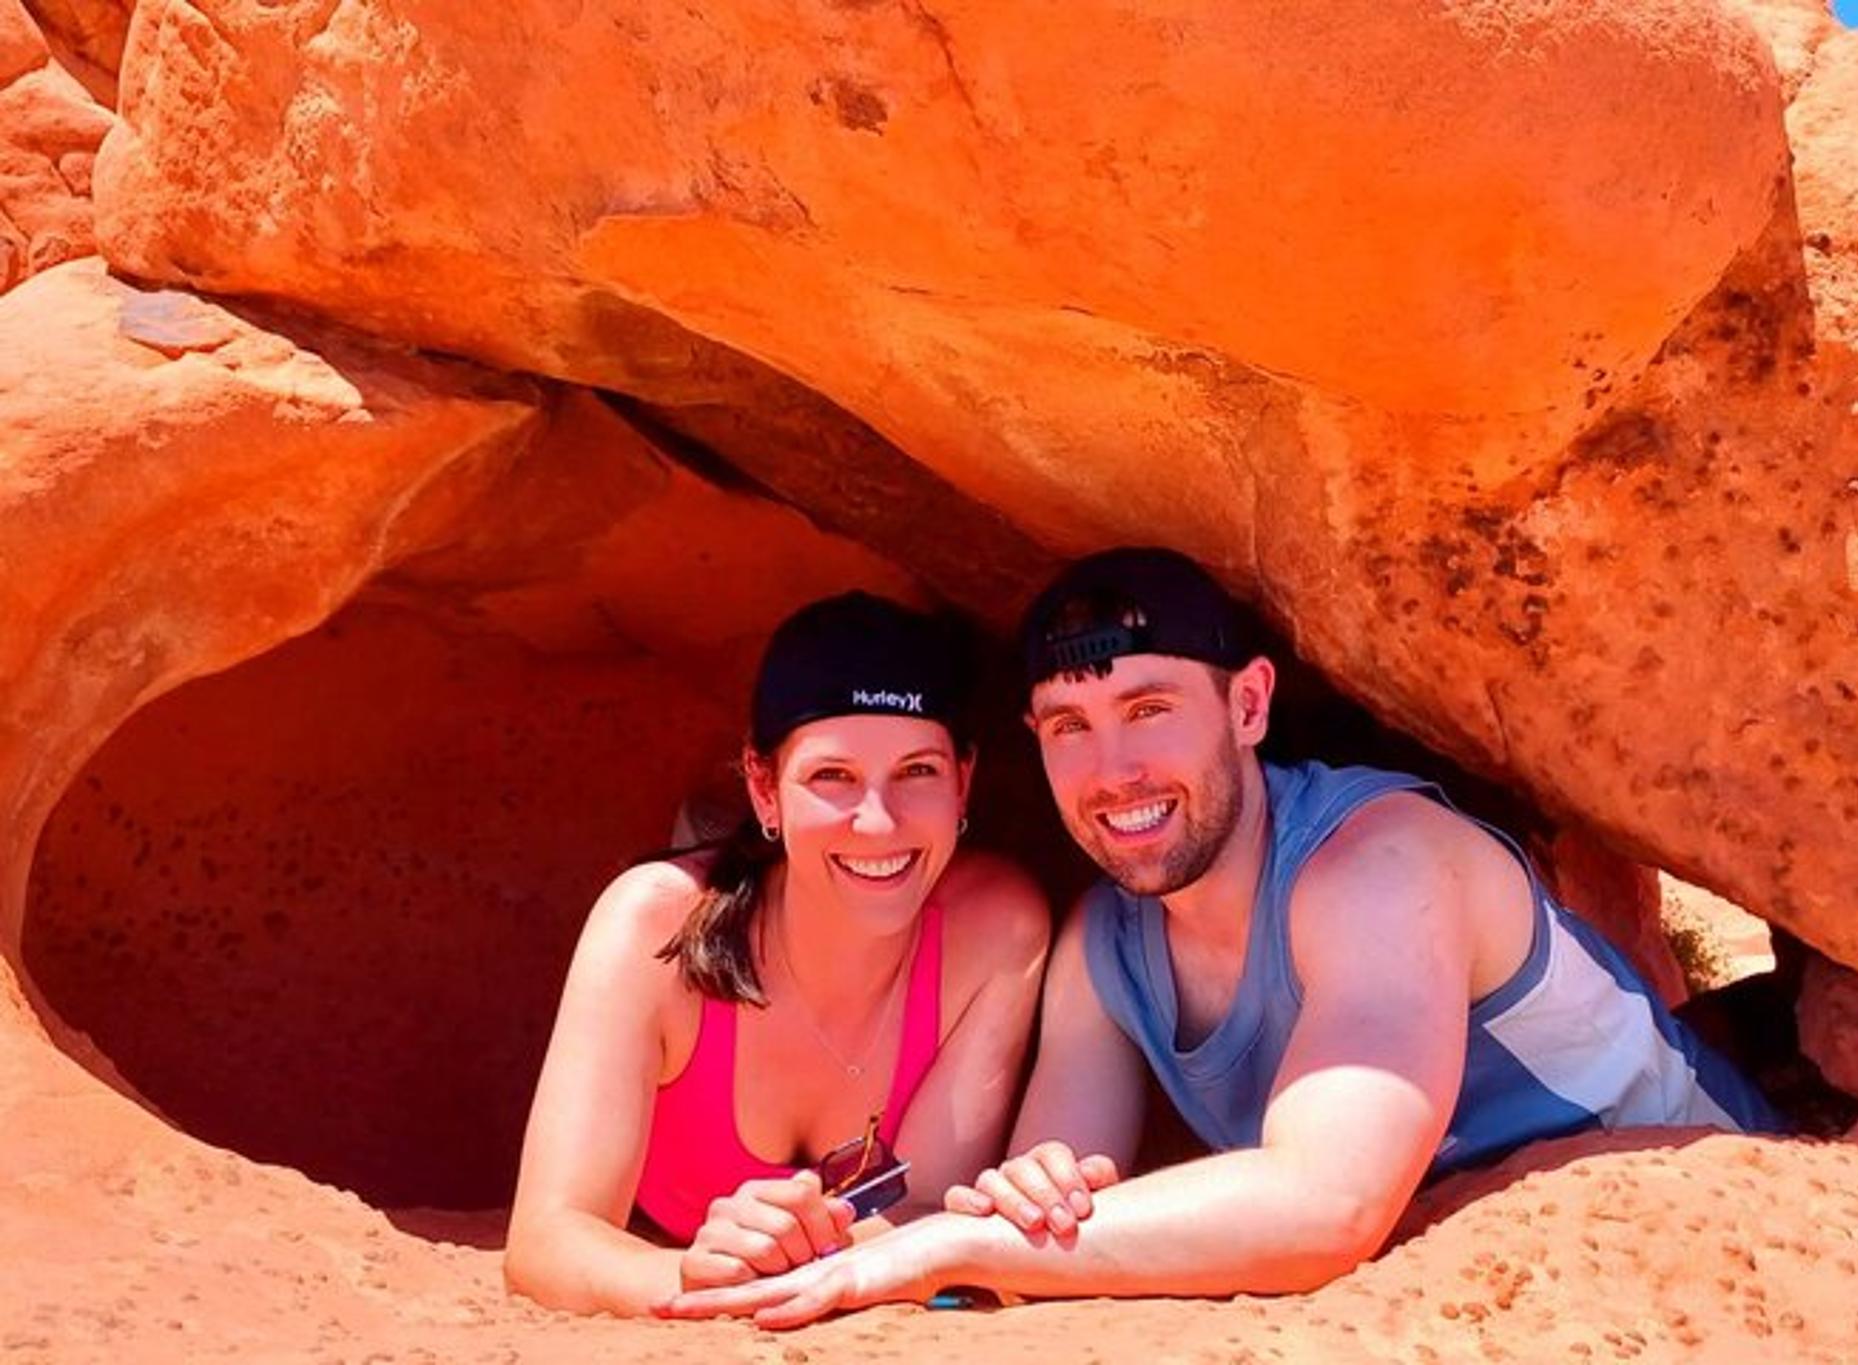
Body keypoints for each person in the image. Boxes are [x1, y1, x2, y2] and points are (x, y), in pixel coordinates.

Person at [660, 548, 1782, 1328]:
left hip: (1722, 1236)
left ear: (1247, 707)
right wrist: (944, 1221)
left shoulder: (1374, 865)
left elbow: (1325, 1205)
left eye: (1149, 710)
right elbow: (1041, 1201)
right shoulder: (1106, 945)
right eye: (1069, 728)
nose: (1112, 774)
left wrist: (951, 1247)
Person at [504, 592, 1050, 1316]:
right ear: (763, 786)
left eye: (918, 771)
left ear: (964, 781)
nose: (878, 821)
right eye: (833, 776)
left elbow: (927, 1207)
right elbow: (547, 1238)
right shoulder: (655, 929)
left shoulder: (996, 932)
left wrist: (798, 1269)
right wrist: (693, 1279)